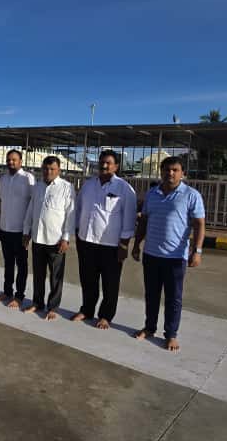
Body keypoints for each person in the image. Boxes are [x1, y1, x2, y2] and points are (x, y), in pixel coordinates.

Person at [132, 156, 206, 352]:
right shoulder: (152, 194)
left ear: (182, 173)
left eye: (175, 170)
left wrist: (197, 251)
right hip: (151, 254)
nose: (170, 173)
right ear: (161, 171)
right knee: (151, 295)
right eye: (166, 169)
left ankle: (171, 334)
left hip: (175, 257)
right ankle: (149, 328)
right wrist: (136, 244)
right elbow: (144, 221)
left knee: (173, 298)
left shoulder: (191, 195)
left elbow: (199, 224)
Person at [72, 150, 136, 329]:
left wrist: (124, 245)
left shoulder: (124, 188)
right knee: (88, 281)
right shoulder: (88, 185)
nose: (104, 165)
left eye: (108, 163)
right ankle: (87, 310)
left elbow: (129, 218)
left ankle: (106, 316)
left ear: (116, 166)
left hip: (111, 245)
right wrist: (77, 233)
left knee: (110, 283)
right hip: (86, 242)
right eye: (102, 162)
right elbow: (78, 209)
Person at [22, 156, 75, 320]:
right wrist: (26, 232)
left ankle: (53, 307)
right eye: (45, 168)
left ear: (59, 170)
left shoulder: (66, 187)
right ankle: (37, 302)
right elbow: (31, 210)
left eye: (52, 169)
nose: (48, 172)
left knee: (55, 276)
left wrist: (66, 237)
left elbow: (70, 214)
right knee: (38, 274)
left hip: (56, 240)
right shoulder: (38, 187)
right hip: (38, 238)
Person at [0, 149, 35, 307]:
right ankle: (7, 291)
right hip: (5, 228)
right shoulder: (3, 179)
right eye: (8, 160)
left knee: (21, 265)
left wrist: (28, 232)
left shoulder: (28, 178)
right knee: (8, 264)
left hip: (20, 231)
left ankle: (19, 296)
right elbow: (1, 204)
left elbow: (33, 204)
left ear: (20, 161)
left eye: (14, 160)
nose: (11, 162)